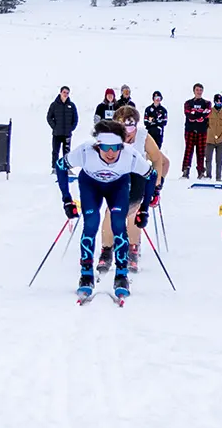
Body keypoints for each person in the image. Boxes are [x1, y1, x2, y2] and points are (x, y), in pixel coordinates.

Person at [53, 120, 153, 304]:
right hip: (91, 185)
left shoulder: (129, 155)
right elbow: (61, 166)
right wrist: (66, 199)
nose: (110, 153)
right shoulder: (85, 152)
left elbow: (151, 174)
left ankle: (121, 275)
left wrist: (145, 209)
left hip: (118, 186)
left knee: (118, 223)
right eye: (105, 147)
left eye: (115, 147)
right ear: (97, 145)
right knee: (91, 223)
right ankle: (86, 274)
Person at [97, 105, 169, 275]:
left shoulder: (143, 137)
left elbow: (160, 161)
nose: (127, 133)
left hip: (138, 179)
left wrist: (156, 187)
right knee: (111, 212)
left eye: (130, 127)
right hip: (117, 179)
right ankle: (107, 251)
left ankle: (132, 249)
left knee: (133, 212)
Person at [182, 85, 212, 179]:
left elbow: (207, 113)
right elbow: (188, 114)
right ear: (194, 91)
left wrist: (196, 114)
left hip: (202, 130)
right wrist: (199, 115)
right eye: (197, 90)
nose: (199, 92)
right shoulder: (188, 103)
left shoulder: (207, 103)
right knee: (188, 150)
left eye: (200, 90)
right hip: (190, 130)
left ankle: (200, 172)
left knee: (201, 152)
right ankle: (185, 171)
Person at [46, 86, 78, 163]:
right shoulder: (54, 105)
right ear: (60, 93)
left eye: (67, 93)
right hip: (57, 134)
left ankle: (66, 168)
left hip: (67, 134)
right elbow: (49, 117)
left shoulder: (72, 105)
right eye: (64, 92)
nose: (65, 94)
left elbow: (75, 119)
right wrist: (55, 127)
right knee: (55, 151)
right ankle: (55, 168)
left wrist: (71, 128)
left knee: (67, 152)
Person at [205, 94, 222, 180]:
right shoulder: (209, 111)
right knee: (208, 159)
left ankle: (218, 177)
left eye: (220, 101)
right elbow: (205, 123)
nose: (218, 102)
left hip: (221, 139)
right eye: (217, 101)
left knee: (219, 160)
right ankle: (208, 176)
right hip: (209, 139)